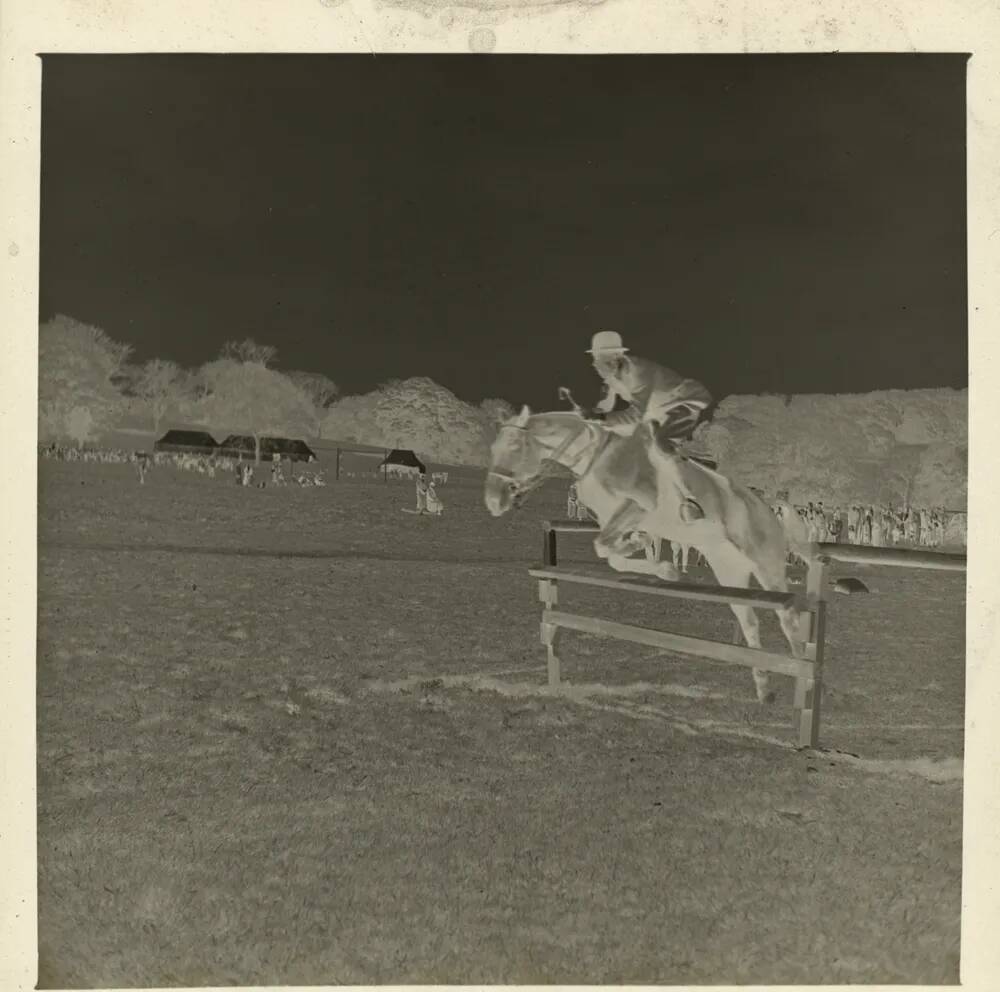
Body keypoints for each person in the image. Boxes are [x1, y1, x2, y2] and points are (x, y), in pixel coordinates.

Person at [583, 330, 713, 521]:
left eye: (599, 359)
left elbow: (635, 415)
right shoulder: (612, 374)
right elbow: (606, 405)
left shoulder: (639, 374)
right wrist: (594, 414)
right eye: (594, 359)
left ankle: (690, 500)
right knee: (618, 436)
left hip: (683, 403)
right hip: (654, 411)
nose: (595, 365)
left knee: (661, 442)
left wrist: (601, 417)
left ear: (615, 358)